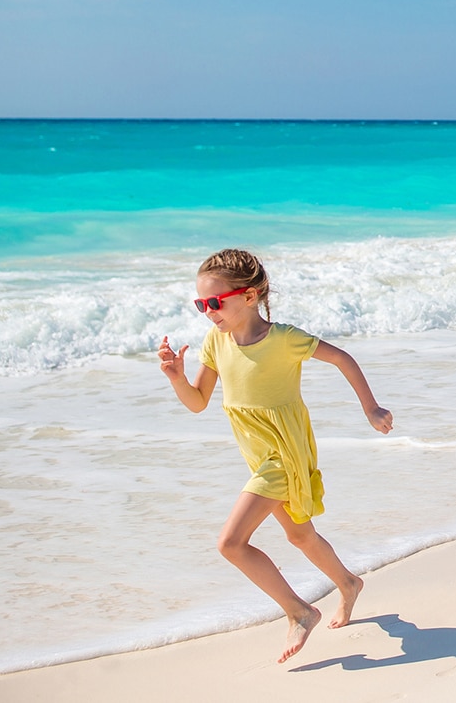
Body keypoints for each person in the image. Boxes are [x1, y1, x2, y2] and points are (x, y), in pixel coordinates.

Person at [157, 248, 393, 664]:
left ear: (249, 296)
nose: (208, 312)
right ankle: (348, 583)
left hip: (283, 454)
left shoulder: (283, 339)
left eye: (215, 302)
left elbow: (342, 359)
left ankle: (299, 611)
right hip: (258, 456)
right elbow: (197, 402)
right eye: (200, 304)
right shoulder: (216, 342)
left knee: (231, 543)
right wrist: (177, 378)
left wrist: (371, 408)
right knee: (300, 536)